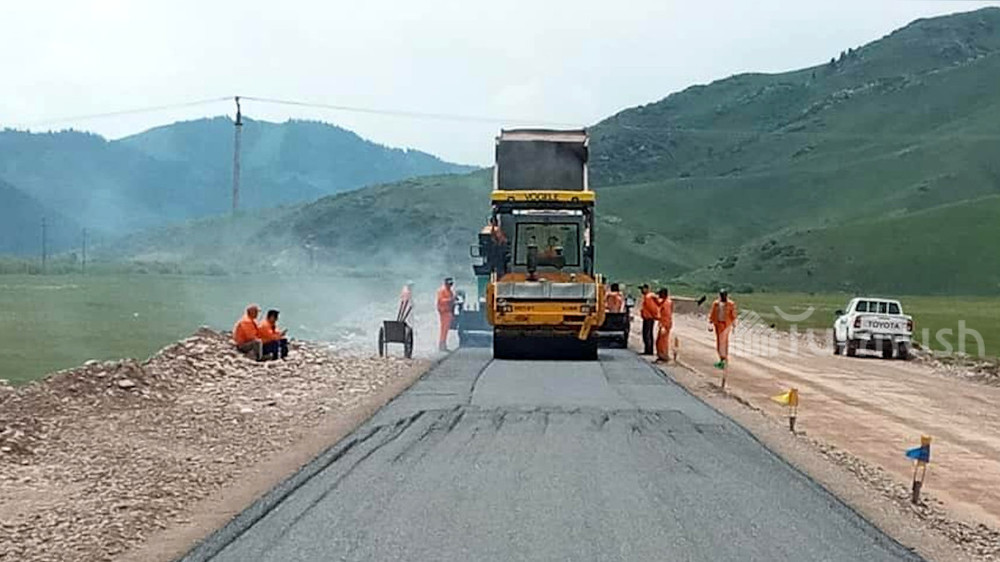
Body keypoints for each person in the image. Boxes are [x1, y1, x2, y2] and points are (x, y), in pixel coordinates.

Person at [708, 289, 738, 368]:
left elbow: (733, 315)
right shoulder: (716, 304)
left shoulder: (730, 304)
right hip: (718, 324)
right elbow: (712, 313)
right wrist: (710, 323)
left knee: (723, 342)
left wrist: (734, 324)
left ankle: (724, 359)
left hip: (726, 325)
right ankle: (722, 359)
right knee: (719, 342)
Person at [436, 277, 455, 352]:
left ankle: (444, 344)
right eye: (449, 284)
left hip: (448, 311)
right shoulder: (442, 290)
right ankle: (441, 345)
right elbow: (440, 300)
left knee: (446, 329)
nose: (450, 286)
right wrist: (450, 300)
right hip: (444, 312)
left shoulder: (449, 291)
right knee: (443, 329)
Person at [639, 284, 659, 355]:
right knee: (648, 334)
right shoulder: (647, 297)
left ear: (646, 289)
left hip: (648, 318)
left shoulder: (648, 297)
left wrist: (654, 315)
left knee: (647, 334)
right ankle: (648, 349)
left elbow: (652, 308)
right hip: (647, 317)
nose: (641, 291)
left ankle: (648, 350)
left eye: (642, 289)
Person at [655, 288, 674, 363]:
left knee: (662, 341)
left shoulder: (666, 303)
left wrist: (663, 326)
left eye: (659, 294)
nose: (658, 295)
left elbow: (666, 315)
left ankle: (664, 356)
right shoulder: (665, 302)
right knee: (660, 340)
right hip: (664, 323)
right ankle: (661, 355)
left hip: (665, 324)